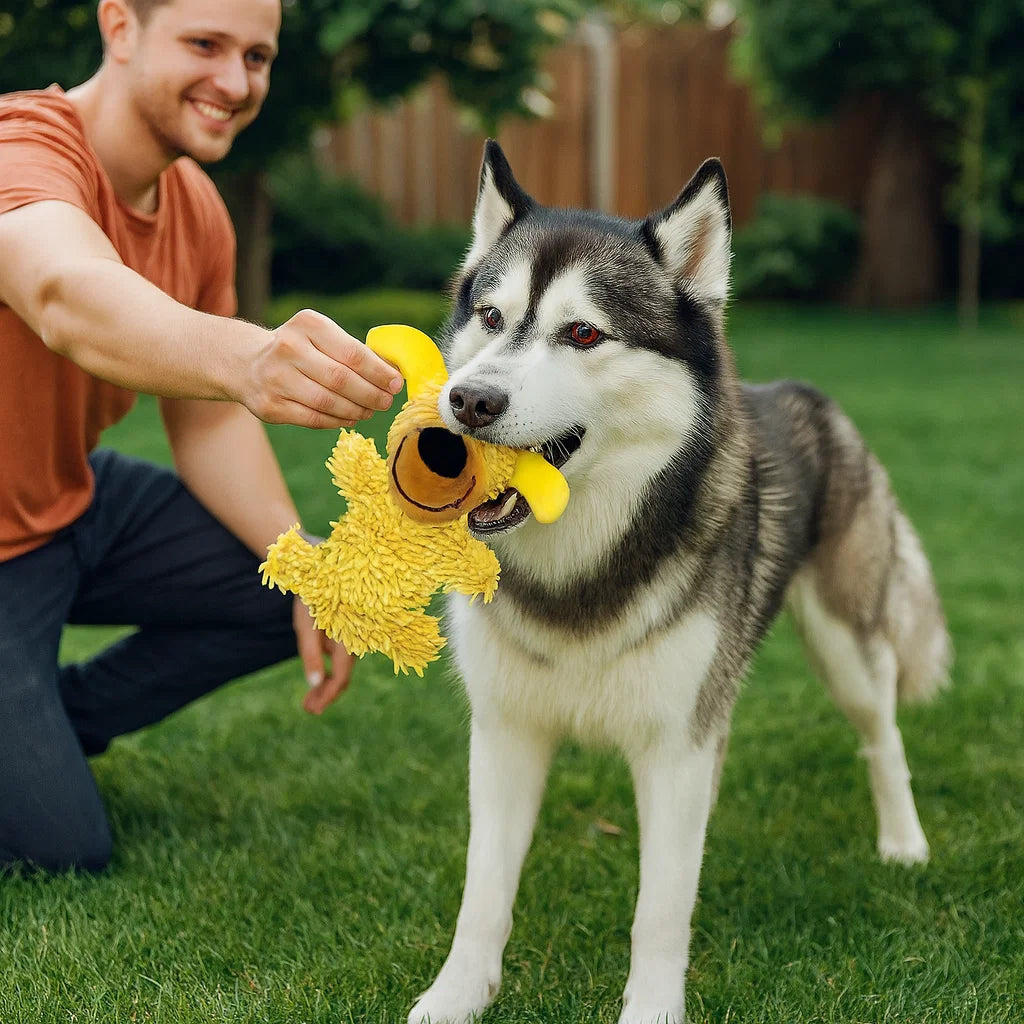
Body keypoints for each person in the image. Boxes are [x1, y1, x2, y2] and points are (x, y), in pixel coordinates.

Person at [0, 0, 405, 873]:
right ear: (119, 28)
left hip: (69, 502)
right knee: (62, 850)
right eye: (204, 44)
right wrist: (248, 356)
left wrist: (307, 570)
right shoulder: (21, 149)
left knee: (290, 580)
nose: (234, 81)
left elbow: (210, 418)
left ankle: (48, 728)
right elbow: (65, 292)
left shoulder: (197, 210)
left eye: (256, 57)